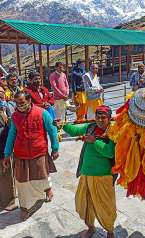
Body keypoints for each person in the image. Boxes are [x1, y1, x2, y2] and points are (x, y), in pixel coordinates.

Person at [2, 91, 59, 219]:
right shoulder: (15, 117)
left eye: (21, 103)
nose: (19, 106)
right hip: (21, 154)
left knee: (41, 177)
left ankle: (47, 190)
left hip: (39, 152)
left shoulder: (42, 113)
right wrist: (7, 154)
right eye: (16, 103)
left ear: (29, 101)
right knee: (22, 182)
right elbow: (12, 135)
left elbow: (52, 130)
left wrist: (55, 148)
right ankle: (26, 207)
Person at [62, 105, 116, 238]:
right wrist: (62, 124)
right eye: (98, 117)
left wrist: (94, 141)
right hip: (86, 173)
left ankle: (110, 231)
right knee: (85, 203)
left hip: (103, 176)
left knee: (106, 206)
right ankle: (90, 227)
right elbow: (75, 130)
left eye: (104, 117)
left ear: (109, 119)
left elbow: (111, 152)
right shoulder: (90, 127)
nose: (100, 120)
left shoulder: (114, 131)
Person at [0, 86, 16, 212]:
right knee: (5, 175)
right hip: (2, 148)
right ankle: (6, 202)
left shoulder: (6, 107)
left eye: (2, 93)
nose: (2, 96)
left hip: (7, 146)